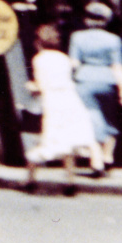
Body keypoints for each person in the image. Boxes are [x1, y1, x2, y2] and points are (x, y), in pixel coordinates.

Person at [26, 23, 104, 191]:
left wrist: (31, 87)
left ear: (38, 42)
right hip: (70, 100)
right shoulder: (63, 58)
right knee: (67, 141)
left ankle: (30, 180)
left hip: (53, 102)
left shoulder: (39, 59)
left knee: (48, 138)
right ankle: (70, 181)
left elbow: (42, 84)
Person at [69, 2, 122, 171]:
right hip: (107, 81)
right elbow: (118, 67)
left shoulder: (77, 37)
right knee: (109, 118)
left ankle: (96, 158)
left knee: (90, 118)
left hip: (84, 80)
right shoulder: (114, 40)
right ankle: (107, 155)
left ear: (86, 20)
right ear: (106, 21)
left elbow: (74, 63)